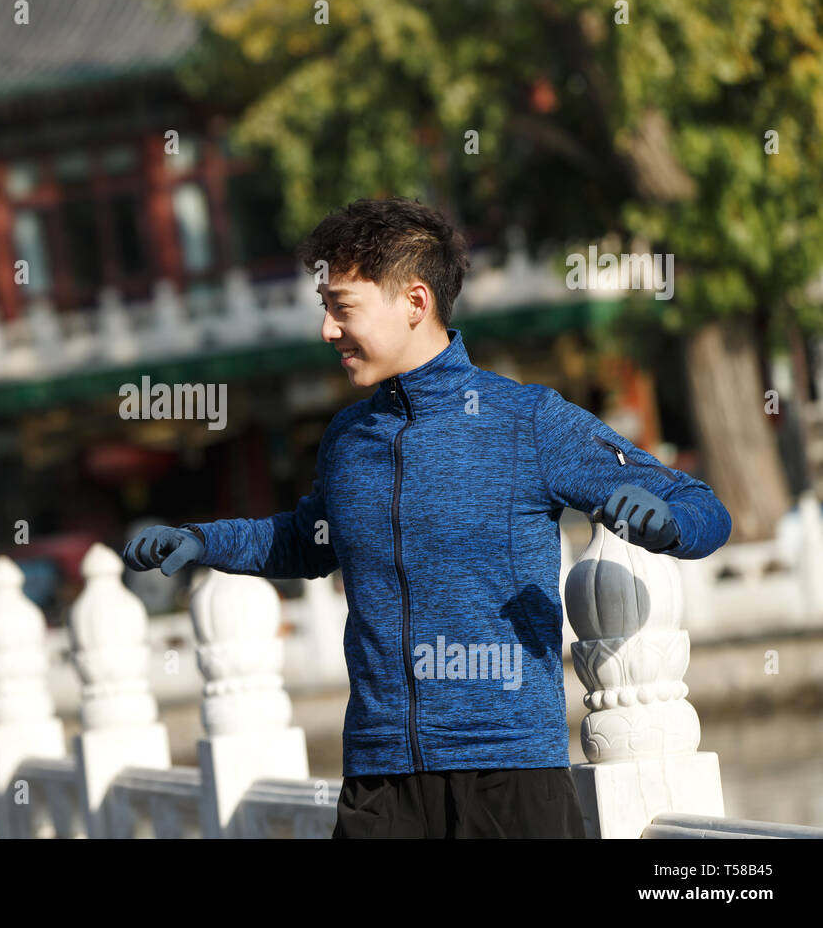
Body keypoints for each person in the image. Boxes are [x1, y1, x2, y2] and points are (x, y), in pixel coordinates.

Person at [121, 197, 733, 838]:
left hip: (510, 779)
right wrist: (200, 540)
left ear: (416, 302)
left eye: (341, 306)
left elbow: (703, 507)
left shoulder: (527, 421)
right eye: (324, 306)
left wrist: (666, 521)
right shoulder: (349, 436)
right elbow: (309, 541)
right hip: (379, 781)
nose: (327, 329)